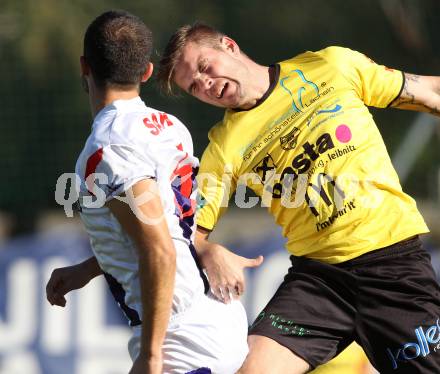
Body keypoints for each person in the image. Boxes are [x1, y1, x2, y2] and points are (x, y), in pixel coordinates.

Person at [155, 23, 440, 374]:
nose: (206, 85)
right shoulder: (225, 146)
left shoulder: (330, 66)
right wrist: (209, 250)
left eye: (203, 67)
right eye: (194, 87)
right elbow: (187, 229)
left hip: (392, 267)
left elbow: (427, 90)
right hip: (319, 283)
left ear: (228, 45)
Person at [46, 12, 248, 374]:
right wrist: (93, 268)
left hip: (180, 339)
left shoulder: (109, 147)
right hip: (216, 317)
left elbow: (159, 248)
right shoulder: (170, 127)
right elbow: (164, 225)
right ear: (147, 72)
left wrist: (151, 356)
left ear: (84, 67)